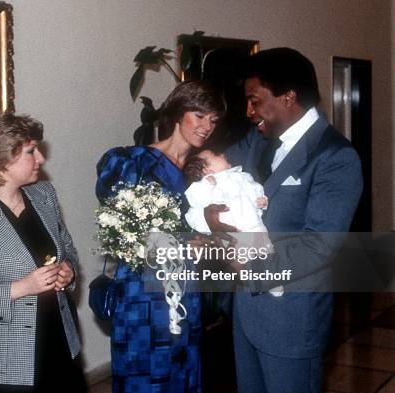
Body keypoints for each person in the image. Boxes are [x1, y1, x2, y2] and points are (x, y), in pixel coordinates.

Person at [207, 48, 363, 393]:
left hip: (291, 320)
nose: (248, 112)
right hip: (245, 314)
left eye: (254, 101)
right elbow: (214, 177)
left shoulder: (336, 156)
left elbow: (320, 245)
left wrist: (250, 270)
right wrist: (208, 213)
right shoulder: (257, 141)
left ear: (288, 96)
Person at [95, 80, 226, 392]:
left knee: (184, 373)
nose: (206, 126)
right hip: (142, 293)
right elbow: (122, 233)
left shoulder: (207, 171)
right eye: (199, 115)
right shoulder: (134, 162)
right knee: (143, 375)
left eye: (213, 120)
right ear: (178, 114)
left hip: (187, 289)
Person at [0, 113, 87, 393]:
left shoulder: (44, 195)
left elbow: (68, 250)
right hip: (10, 359)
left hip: (61, 341)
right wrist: (22, 288)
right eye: (31, 152)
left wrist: (68, 270)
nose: (41, 159)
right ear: (2, 160)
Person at [183, 149, 269, 235]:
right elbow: (194, 200)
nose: (222, 154)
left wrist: (262, 200)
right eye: (215, 154)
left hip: (255, 226)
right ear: (207, 170)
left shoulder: (242, 176)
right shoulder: (205, 184)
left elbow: (256, 188)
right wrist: (208, 185)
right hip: (229, 233)